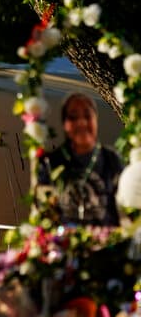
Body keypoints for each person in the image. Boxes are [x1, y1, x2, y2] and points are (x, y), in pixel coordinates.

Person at [36, 92, 122, 226]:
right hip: (62, 244)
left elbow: (123, 209)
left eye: (87, 116)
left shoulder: (112, 159)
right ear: (64, 124)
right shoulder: (50, 162)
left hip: (106, 243)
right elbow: (43, 212)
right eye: (73, 117)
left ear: (96, 120)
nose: (81, 122)